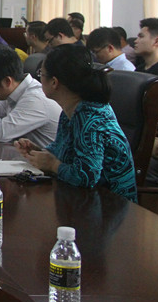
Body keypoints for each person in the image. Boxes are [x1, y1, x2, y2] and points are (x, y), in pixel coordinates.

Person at [15, 44, 137, 202]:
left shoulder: (90, 117)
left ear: (54, 82)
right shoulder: (70, 110)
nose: (39, 79)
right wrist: (39, 152)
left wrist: (53, 165)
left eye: (41, 74)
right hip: (82, 198)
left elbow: (86, 176)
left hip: (110, 205)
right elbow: (63, 149)